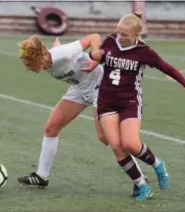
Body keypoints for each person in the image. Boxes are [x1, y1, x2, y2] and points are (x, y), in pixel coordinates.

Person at [82, 12, 185, 201]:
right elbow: (95, 56)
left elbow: (168, 68)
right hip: (106, 101)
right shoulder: (110, 41)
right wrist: (93, 55)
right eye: (118, 32)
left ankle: (158, 164)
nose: (120, 37)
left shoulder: (144, 52)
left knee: (130, 144)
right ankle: (142, 185)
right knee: (116, 146)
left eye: (125, 34)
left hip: (129, 101)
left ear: (136, 35)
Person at [16, 34, 147, 197]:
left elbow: (94, 37)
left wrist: (96, 60)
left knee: (105, 137)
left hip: (99, 87)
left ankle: (140, 178)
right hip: (79, 90)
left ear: (37, 57)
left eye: (28, 63)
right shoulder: (48, 58)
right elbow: (54, 54)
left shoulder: (63, 53)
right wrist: (56, 46)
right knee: (51, 128)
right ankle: (42, 176)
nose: (27, 67)